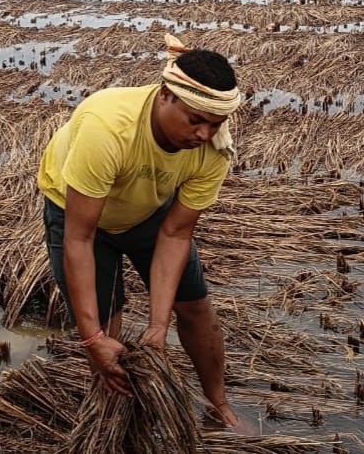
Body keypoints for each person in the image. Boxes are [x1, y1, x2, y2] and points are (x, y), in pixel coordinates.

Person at [37, 33, 243, 428]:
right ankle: (109, 420)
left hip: (148, 209)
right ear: (165, 95)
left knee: (196, 309)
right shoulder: (108, 127)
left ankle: (220, 406)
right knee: (102, 325)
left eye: (214, 123)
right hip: (77, 212)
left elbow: (176, 234)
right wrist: (93, 339)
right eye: (195, 120)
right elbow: (79, 237)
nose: (203, 133)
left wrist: (157, 325)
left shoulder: (215, 148)